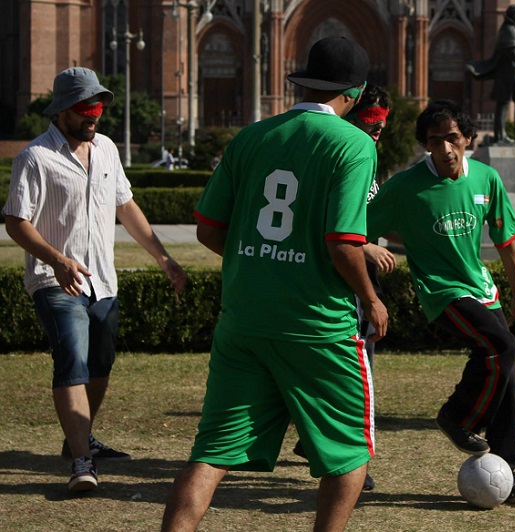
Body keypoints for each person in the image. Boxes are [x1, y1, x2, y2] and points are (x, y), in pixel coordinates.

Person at [160, 36, 388, 532]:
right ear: (356, 91)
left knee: (211, 455)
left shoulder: (251, 136)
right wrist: (370, 298)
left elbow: (207, 227)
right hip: (317, 327)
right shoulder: (354, 145)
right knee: (349, 457)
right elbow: (345, 242)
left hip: (243, 320)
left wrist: (261, 263)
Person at [2, 67, 187, 492]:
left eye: (98, 108)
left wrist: (164, 258)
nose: (94, 116)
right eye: (86, 109)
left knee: (100, 365)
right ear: (63, 110)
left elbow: (127, 207)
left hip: (102, 281)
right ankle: (82, 463)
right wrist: (58, 259)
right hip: (54, 281)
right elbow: (16, 222)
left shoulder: (105, 148)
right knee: (73, 363)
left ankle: (76, 441)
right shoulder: (34, 157)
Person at [367, 100, 515, 504]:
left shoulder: (486, 178)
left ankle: (507, 475)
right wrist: (369, 250)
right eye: (434, 141)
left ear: (468, 139)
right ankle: (456, 416)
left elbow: (506, 241)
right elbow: (353, 228)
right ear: (425, 145)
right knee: (501, 347)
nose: (444, 148)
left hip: (483, 289)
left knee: (508, 384)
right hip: (442, 292)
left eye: (451, 138)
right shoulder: (405, 186)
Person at [290, 84, 395, 491]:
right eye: (371, 122)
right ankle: (350, 458)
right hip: (338, 277)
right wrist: (364, 245)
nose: (378, 130)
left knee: (357, 361)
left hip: (356, 274)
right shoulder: (343, 148)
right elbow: (326, 219)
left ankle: (311, 439)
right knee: (353, 369)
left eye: (383, 123)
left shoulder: (367, 150)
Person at [466, 4, 515, 144]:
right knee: (504, 102)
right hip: (506, 72)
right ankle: (503, 135)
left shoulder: (513, 30)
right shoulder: (509, 30)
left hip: (513, 71)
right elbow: (512, 52)